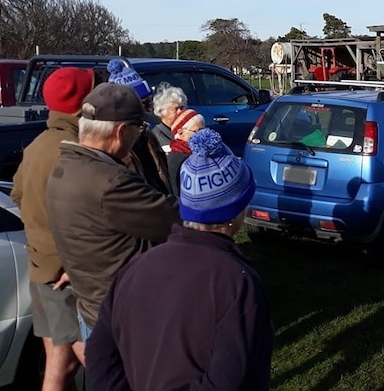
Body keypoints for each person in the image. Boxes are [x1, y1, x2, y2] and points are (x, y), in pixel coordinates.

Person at [86, 128, 273, 391]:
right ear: (236, 210)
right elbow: (230, 380)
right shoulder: (236, 282)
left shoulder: (135, 267)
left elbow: (100, 356)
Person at [46, 82, 180, 340]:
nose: (139, 136)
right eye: (139, 129)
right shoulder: (110, 183)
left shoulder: (65, 166)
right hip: (126, 317)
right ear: (121, 131)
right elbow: (176, 218)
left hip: (93, 307)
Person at [10, 67, 94, 389]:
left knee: (59, 364)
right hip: (64, 274)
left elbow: (17, 193)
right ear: (81, 103)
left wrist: (40, 232)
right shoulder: (73, 148)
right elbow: (81, 213)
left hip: (41, 267)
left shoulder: (37, 144)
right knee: (95, 365)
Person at [107, 58, 173, 195]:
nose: (151, 107)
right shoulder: (115, 149)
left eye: (150, 101)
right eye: (144, 103)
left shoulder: (148, 137)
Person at [166, 108, 205, 198]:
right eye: (197, 131)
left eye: (203, 130)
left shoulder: (199, 152)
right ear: (181, 133)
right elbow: (176, 191)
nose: (202, 134)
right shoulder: (177, 159)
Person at [151, 81, 188, 151]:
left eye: (182, 107)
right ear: (161, 111)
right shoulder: (159, 136)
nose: (180, 111)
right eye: (176, 109)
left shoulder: (183, 129)